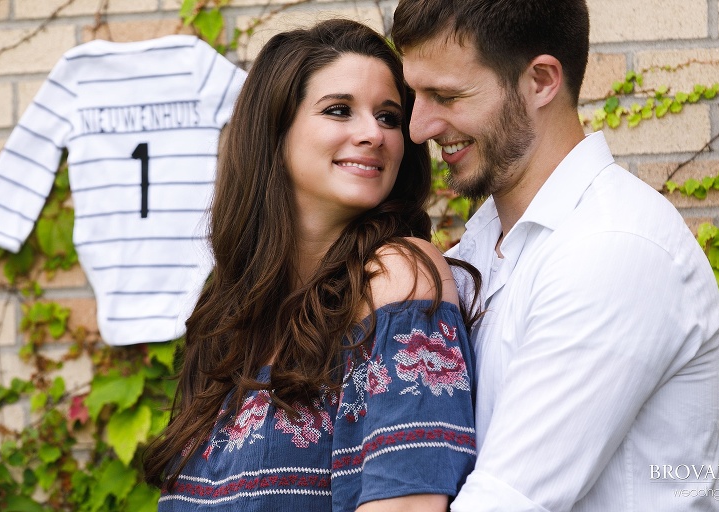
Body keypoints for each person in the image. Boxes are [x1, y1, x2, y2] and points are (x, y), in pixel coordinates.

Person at [392, 1, 719, 511]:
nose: (418, 128)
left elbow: (506, 502)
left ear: (542, 81)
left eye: (446, 96)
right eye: (416, 94)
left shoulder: (614, 249)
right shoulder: (480, 247)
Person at [142, 19, 480, 512]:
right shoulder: (228, 314)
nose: (373, 134)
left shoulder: (396, 276)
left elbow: (409, 504)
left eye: (388, 117)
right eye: (340, 110)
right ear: (274, 132)